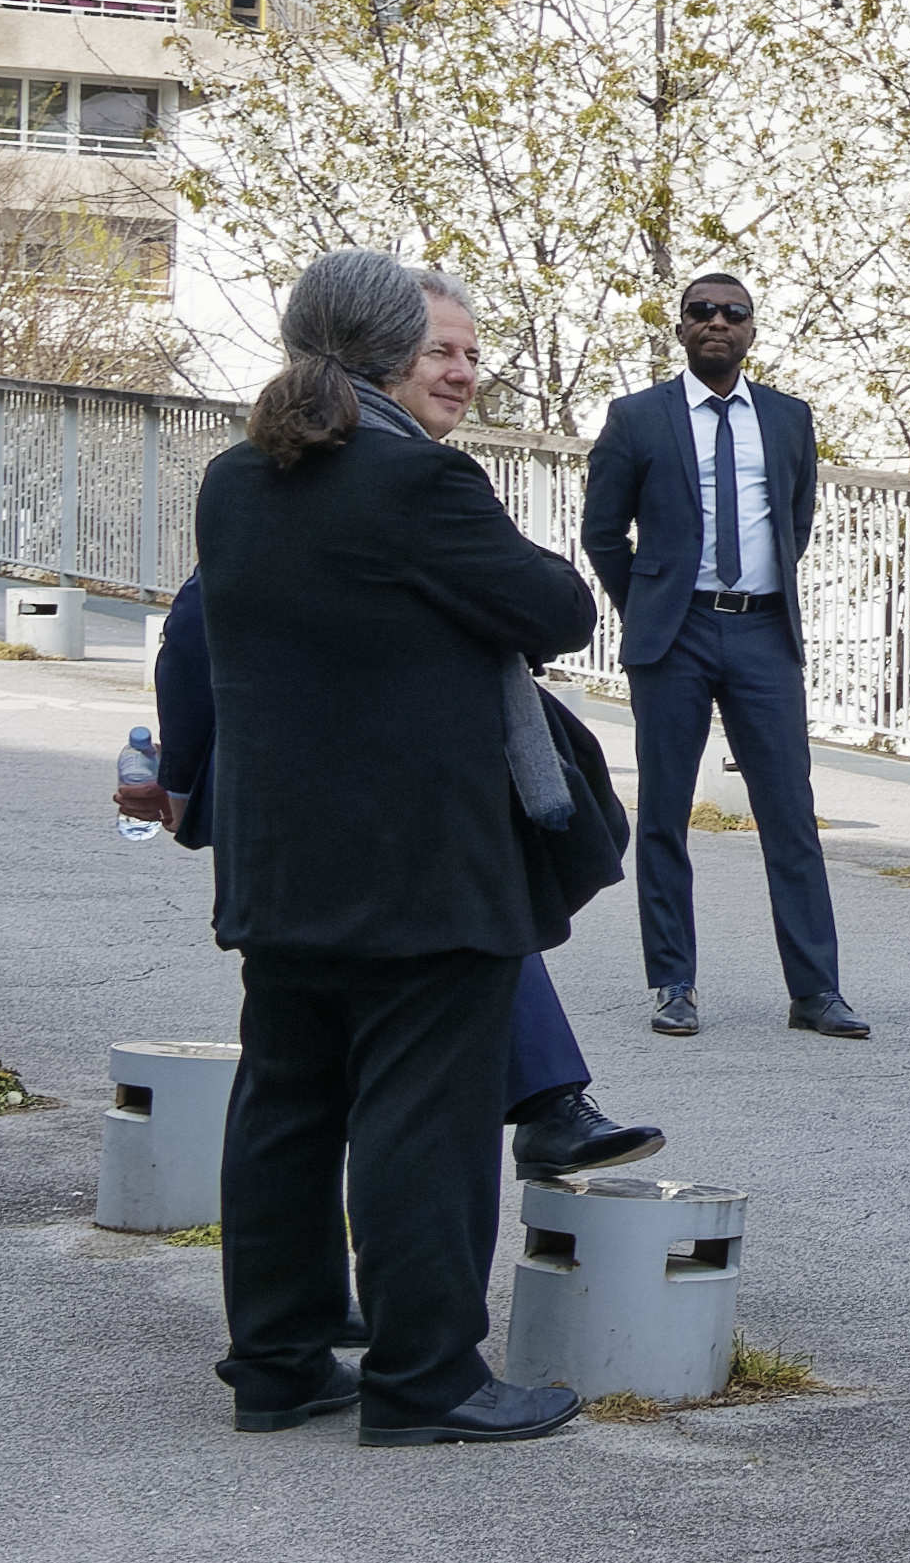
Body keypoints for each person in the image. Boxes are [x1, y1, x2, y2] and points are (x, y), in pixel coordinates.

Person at [191, 250, 606, 1444]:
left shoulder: (234, 480)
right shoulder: (414, 482)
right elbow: (558, 609)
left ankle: (275, 1363)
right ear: (384, 350)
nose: (463, 371)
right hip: (422, 867)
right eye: (443, 348)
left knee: (286, 1108)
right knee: (424, 1121)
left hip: (280, 863)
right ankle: (426, 1378)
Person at [576, 271, 867, 1044]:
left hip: (763, 635)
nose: (717, 323)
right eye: (701, 312)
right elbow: (603, 532)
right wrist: (646, 607)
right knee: (665, 815)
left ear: (751, 332)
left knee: (790, 815)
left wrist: (757, 594)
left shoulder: (787, 418)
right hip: (674, 636)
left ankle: (817, 991)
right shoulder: (637, 419)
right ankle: (673, 982)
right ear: (680, 330)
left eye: (733, 313)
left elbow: (792, 521)